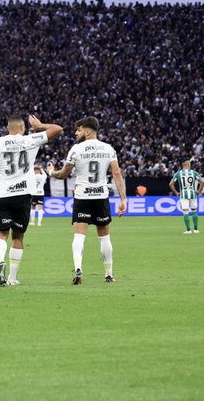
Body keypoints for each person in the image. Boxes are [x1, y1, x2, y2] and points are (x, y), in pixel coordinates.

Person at [0, 115, 63, 287]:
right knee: (18, 236)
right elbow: (58, 129)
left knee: (1, 234)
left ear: (9, 128)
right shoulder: (31, 139)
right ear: (22, 127)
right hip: (23, 195)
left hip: (3, 194)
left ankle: (0, 261)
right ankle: (12, 278)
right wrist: (39, 126)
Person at [48, 116, 126, 284]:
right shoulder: (108, 149)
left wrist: (51, 172)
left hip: (83, 197)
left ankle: (78, 268)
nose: (76, 133)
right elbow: (117, 173)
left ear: (88, 130)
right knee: (104, 237)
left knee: (78, 236)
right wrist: (123, 199)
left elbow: (63, 174)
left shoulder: (76, 149)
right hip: (101, 197)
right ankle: (109, 274)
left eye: (79, 129)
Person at [169, 160, 204, 234]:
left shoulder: (178, 173)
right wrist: (198, 191)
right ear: (188, 164)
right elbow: (202, 182)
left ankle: (188, 230)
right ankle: (195, 229)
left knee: (185, 212)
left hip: (183, 194)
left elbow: (171, 184)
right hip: (193, 193)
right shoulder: (194, 173)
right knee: (194, 210)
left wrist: (176, 192)